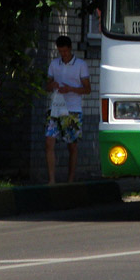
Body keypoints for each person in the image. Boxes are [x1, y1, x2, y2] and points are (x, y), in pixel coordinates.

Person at [46, 35, 91, 184]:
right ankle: (51, 179)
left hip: (73, 109)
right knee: (49, 141)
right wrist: (51, 85)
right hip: (56, 108)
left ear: (70, 49)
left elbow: (87, 89)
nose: (63, 54)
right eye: (60, 51)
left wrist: (70, 89)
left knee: (72, 145)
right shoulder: (54, 64)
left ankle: (70, 180)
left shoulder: (80, 65)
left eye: (65, 51)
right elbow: (47, 84)